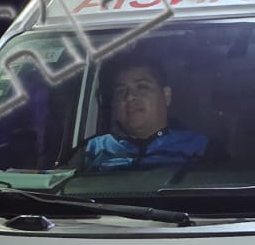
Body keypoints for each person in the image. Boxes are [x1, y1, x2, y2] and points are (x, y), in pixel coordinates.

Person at [79, 60, 209, 170]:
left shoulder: (201, 148)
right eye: (121, 91)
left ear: (166, 96)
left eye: (142, 87)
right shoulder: (92, 150)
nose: (129, 97)